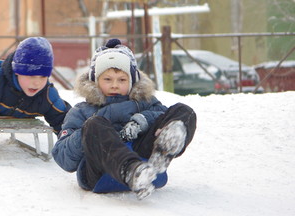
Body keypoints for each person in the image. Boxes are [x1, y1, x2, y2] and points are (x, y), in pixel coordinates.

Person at [52, 38, 197, 199]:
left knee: (184, 112)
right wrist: (88, 133)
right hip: (99, 170)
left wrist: (141, 120)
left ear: (131, 81)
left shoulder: (145, 103)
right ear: (95, 81)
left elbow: (161, 114)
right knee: (94, 124)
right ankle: (131, 172)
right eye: (107, 79)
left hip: (145, 160)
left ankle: (161, 156)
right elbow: (63, 157)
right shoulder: (81, 111)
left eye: (122, 80)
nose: (115, 85)